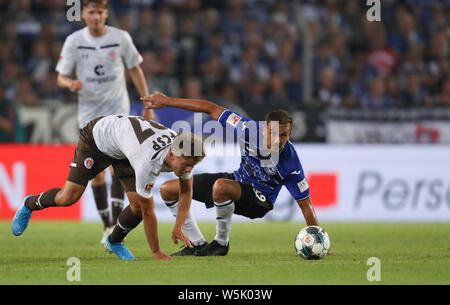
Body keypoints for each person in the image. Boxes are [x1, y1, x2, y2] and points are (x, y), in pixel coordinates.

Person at [141, 92, 321, 256]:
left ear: (289, 135)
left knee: (221, 186)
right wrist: (167, 101)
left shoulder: (291, 163)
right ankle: (196, 243)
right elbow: (211, 108)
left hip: (261, 201)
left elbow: (306, 204)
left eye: (284, 135)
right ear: (265, 128)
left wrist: (318, 240)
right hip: (236, 181)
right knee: (167, 189)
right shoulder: (248, 129)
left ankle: (220, 243)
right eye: (273, 133)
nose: (278, 139)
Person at [11, 114, 205, 260]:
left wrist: (179, 224)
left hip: (125, 149)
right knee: (68, 197)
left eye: (192, 166)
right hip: (97, 139)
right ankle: (29, 204)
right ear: (171, 155)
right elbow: (149, 211)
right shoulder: (148, 161)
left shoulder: (183, 151)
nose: (189, 169)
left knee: (136, 205)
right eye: (187, 165)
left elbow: (186, 190)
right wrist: (156, 252)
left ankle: (114, 242)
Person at [55, 0, 155, 243]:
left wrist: (146, 101)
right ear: (84, 15)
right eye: (92, 12)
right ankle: (107, 224)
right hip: (89, 116)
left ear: (106, 14)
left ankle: (114, 225)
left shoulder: (121, 37)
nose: (97, 17)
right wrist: (70, 84)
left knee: (118, 167)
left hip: (117, 112)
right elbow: (60, 77)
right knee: (96, 174)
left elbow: (135, 69)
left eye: (100, 12)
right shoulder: (74, 41)